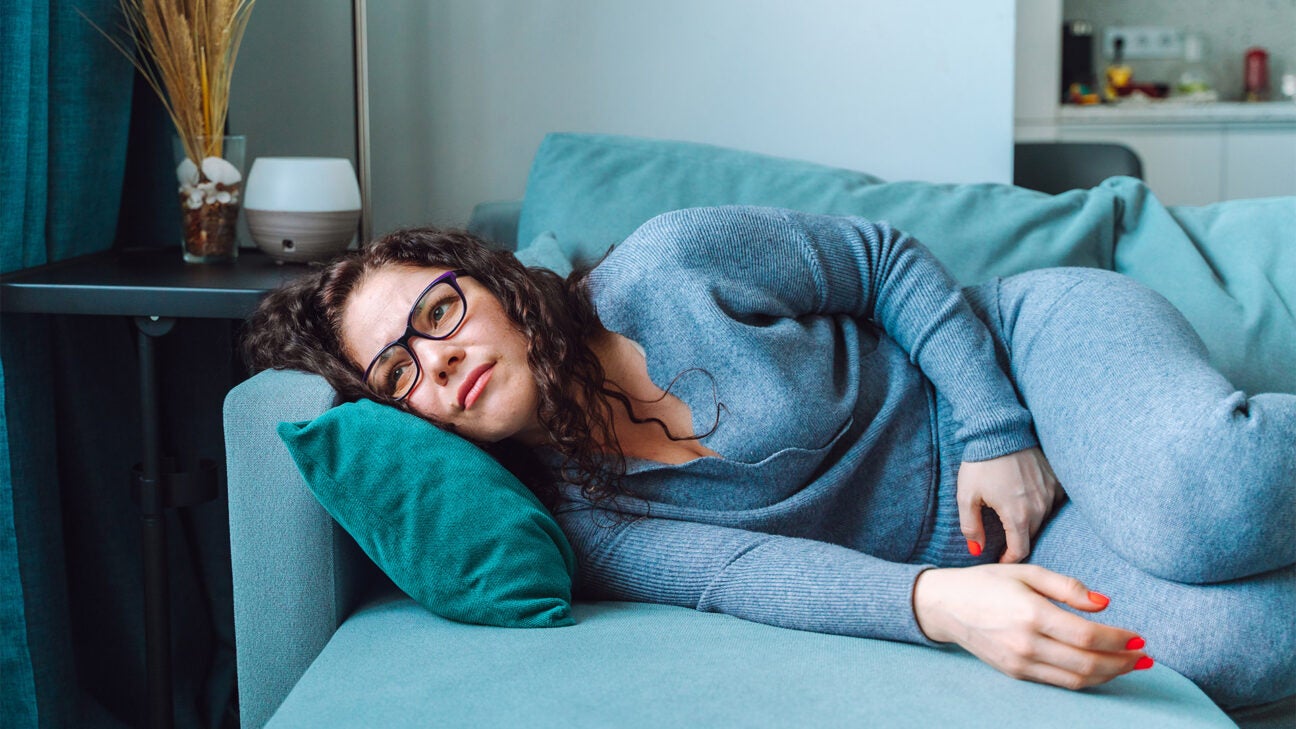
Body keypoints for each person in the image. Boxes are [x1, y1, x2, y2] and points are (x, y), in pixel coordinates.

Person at [242, 206, 1295, 710]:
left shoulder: (669, 264)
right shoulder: (592, 520)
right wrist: (945, 604)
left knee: (1211, 498)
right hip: (1008, 540)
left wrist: (996, 430)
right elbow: (751, 578)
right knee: (1232, 641)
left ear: (491, 283)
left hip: (1032, 357)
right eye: (397, 375)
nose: (440, 361)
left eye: (439, 311)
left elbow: (882, 262)